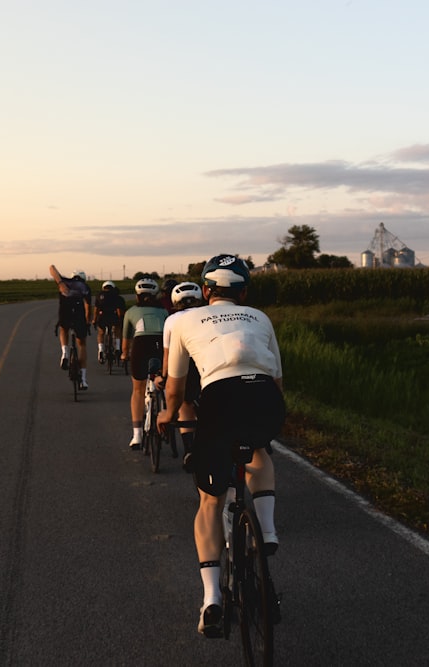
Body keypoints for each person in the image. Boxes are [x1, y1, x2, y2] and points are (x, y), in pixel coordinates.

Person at [158, 254, 285, 638]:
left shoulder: (183, 321)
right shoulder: (260, 317)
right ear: (243, 291)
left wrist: (168, 415)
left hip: (220, 397)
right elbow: (277, 380)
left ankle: (211, 600)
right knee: (259, 452)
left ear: (207, 291)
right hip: (264, 396)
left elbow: (176, 387)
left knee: (210, 501)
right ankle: (267, 529)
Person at [158, 281, 205, 465]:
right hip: (207, 364)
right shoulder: (207, 314)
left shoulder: (172, 320)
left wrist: (164, 375)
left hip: (185, 367)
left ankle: (189, 449)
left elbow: (167, 354)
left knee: (185, 404)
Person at [120, 277, 168, 449]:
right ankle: (166, 418)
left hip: (141, 344)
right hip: (160, 344)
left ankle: (137, 435)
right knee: (164, 383)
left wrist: (124, 354)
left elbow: (125, 339)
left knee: (138, 390)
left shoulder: (131, 311)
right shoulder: (163, 311)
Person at [49, 265, 92, 390]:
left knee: (64, 328)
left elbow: (51, 268)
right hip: (78, 314)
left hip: (65, 312)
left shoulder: (66, 281)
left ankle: (65, 353)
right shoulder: (85, 288)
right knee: (82, 344)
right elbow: (88, 308)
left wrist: (60, 283)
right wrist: (88, 321)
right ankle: (83, 380)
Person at [92, 280, 126, 364]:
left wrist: (94, 320)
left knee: (101, 333)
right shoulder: (117, 296)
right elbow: (119, 311)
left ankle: (100, 350)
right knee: (117, 330)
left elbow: (96, 310)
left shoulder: (99, 295)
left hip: (103, 317)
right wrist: (120, 319)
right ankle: (118, 348)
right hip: (113, 316)